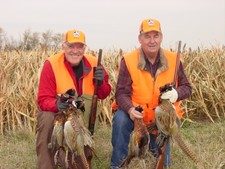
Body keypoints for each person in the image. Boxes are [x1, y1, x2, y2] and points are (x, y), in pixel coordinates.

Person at [110, 18, 192, 168]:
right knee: (120, 119)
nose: (152, 41)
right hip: (137, 118)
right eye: (147, 36)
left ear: (161, 37)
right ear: (140, 38)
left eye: (155, 36)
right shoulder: (128, 60)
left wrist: (176, 94)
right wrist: (130, 109)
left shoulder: (174, 60)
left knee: (162, 163)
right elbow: (121, 93)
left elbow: (187, 88)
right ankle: (117, 164)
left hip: (162, 120)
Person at [36, 29, 111, 169]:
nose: (75, 51)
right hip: (59, 119)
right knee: (46, 117)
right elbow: (43, 99)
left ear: (84, 48)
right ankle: (47, 164)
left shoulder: (95, 63)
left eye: (80, 46)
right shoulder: (52, 64)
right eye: (71, 46)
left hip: (80, 124)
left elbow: (104, 93)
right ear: (63, 46)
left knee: (79, 164)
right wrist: (57, 105)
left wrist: (101, 83)